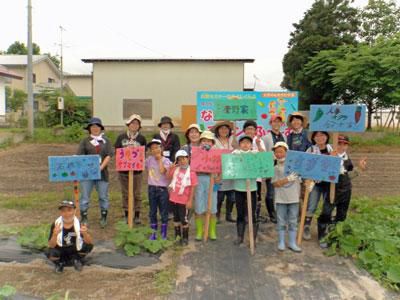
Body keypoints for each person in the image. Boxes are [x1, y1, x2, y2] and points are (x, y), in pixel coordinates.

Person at [317, 135, 367, 248]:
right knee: (326, 213)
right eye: (339, 144)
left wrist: (359, 169)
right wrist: (331, 164)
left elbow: (349, 176)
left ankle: (335, 236)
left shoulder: (347, 160)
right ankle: (322, 236)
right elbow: (320, 174)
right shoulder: (327, 157)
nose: (342, 146)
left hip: (346, 191)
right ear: (334, 144)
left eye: (345, 144)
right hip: (331, 190)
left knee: (341, 215)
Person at [77, 117, 113, 227]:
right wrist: (89, 168)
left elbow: (109, 155)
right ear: (89, 128)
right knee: (85, 197)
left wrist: (101, 167)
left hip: (102, 173)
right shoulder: (85, 141)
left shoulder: (106, 141)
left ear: (100, 128)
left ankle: (103, 217)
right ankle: (84, 217)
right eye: (93, 126)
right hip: (87, 174)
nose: (95, 128)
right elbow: (80, 156)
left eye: (97, 126)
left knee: (103, 196)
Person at [114, 114, 147, 225]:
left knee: (137, 193)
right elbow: (117, 152)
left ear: (139, 126)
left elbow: (143, 154)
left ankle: (137, 215)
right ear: (128, 124)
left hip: (137, 171)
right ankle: (127, 214)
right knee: (125, 193)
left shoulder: (141, 138)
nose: (134, 125)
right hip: (123, 171)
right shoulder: (121, 137)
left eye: (137, 123)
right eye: (132, 123)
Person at [47, 200, 93, 273]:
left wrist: (85, 233)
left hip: (74, 249)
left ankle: (77, 260)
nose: (67, 214)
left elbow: (89, 242)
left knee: (88, 246)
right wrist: (55, 234)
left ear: (74, 211)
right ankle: (59, 264)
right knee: (50, 252)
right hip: (61, 249)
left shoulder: (80, 224)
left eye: (69, 210)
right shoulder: (56, 224)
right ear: (60, 212)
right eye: (63, 211)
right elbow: (51, 245)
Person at [271, 142, 302, 252]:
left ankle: (292, 242)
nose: (279, 154)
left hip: (294, 197)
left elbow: (304, 178)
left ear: (287, 152)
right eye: (276, 152)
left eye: (281, 152)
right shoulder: (275, 167)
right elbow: (274, 183)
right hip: (280, 198)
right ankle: (281, 242)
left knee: (293, 220)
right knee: (281, 220)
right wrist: (286, 179)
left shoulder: (296, 166)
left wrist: (309, 183)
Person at [303, 131, 333, 241]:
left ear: (327, 136)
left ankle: (325, 227)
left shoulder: (332, 149)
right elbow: (305, 165)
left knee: (327, 206)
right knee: (312, 205)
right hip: (315, 183)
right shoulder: (311, 150)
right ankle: (306, 226)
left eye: (322, 135)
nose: (320, 138)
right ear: (314, 138)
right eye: (317, 136)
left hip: (329, 184)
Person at [193, 131, 220, 241]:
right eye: (204, 140)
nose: (206, 142)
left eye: (209, 141)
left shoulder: (216, 154)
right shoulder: (195, 153)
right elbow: (192, 168)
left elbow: (221, 167)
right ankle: (200, 231)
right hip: (199, 179)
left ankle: (211, 230)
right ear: (200, 142)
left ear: (212, 142)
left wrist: (219, 177)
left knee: (212, 206)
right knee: (199, 206)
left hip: (212, 179)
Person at [168, 150, 198, 245]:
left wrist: (190, 201)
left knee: (184, 220)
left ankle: (185, 238)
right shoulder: (176, 169)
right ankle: (177, 236)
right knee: (176, 219)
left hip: (184, 201)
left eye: (184, 158)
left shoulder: (192, 172)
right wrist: (170, 168)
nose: (182, 161)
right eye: (179, 160)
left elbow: (193, 187)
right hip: (173, 199)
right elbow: (168, 177)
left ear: (188, 158)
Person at [233, 135, 258, 245]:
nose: (245, 144)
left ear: (251, 145)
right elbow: (230, 167)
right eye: (243, 142)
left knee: (252, 213)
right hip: (239, 188)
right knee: (240, 213)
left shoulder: (254, 154)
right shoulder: (235, 154)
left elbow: (264, 162)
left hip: (252, 188)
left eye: (248, 142)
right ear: (239, 144)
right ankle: (240, 236)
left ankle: (252, 238)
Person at [261, 115, 287, 224]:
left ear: (281, 124)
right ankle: (272, 213)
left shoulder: (284, 137)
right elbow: (264, 153)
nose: (276, 124)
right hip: (271, 167)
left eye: (278, 122)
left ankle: (280, 212)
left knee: (281, 191)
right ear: (270, 123)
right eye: (274, 122)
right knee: (270, 192)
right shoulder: (266, 137)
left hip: (282, 167)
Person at [145, 139, 172, 240]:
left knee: (163, 211)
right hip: (151, 188)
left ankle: (164, 232)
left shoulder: (166, 161)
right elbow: (140, 165)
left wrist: (159, 158)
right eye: (152, 149)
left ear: (162, 148)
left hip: (162, 190)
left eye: (157, 147)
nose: (154, 150)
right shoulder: (149, 160)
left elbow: (162, 171)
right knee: (152, 211)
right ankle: (153, 232)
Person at [212, 120, 237, 223]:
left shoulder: (232, 140)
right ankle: (216, 215)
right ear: (217, 130)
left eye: (226, 128)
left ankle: (228, 214)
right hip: (217, 173)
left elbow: (238, 150)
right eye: (221, 128)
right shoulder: (213, 141)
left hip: (231, 173)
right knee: (218, 196)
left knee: (232, 197)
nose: (224, 130)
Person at [242, 120, 265, 228]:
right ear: (244, 130)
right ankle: (246, 215)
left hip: (256, 175)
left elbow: (263, 156)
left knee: (256, 195)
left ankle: (255, 214)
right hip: (243, 174)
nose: (250, 131)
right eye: (248, 129)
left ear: (255, 131)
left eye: (252, 129)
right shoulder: (241, 140)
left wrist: (258, 145)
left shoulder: (259, 140)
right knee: (244, 195)